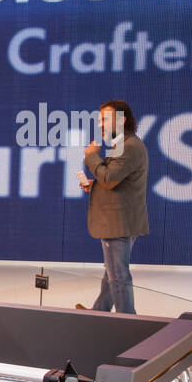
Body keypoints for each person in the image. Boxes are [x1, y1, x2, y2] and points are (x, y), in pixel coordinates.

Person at [78, 99, 148, 314]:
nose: (100, 124)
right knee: (112, 273)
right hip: (122, 219)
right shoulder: (125, 144)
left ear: (121, 120)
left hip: (118, 221)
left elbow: (109, 178)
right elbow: (115, 180)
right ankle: (99, 312)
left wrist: (90, 156)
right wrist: (95, 184)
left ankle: (128, 321)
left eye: (104, 119)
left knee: (118, 275)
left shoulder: (128, 146)